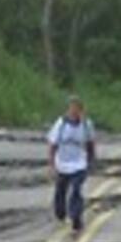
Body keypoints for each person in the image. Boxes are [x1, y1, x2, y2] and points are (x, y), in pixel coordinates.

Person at [47, 96, 96, 233]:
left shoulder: (86, 125)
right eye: (71, 109)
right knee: (60, 191)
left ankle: (76, 219)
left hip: (79, 164)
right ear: (68, 110)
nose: (74, 112)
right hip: (62, 163)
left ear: (81, 110)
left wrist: (91, 161)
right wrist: (51, 165)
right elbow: (52, 145)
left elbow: (90, 143)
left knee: (76, 190)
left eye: (77, 109)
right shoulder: (61, 124)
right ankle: (60, 213)